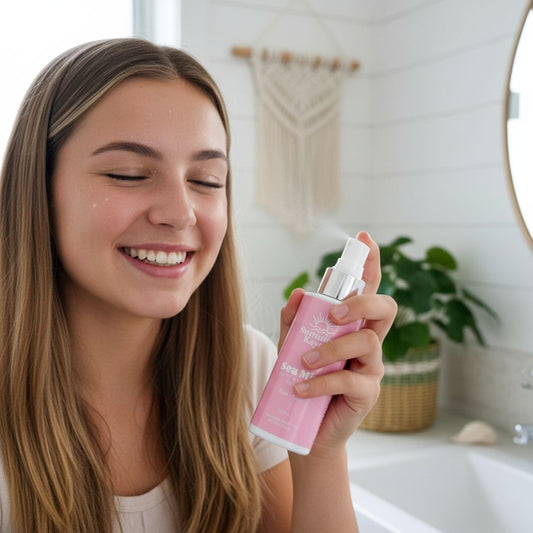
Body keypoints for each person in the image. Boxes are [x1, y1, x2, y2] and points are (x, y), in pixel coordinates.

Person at [0, 38, 396, 533]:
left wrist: (318, 448)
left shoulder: (247, 368)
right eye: (127, 174)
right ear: (36, 188)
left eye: (208, 181)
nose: (181, 212)